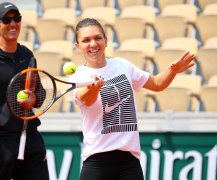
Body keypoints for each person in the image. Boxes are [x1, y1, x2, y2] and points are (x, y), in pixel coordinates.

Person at [68, 18, 195, 180]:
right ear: (78, 47)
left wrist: (172, 71)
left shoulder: (122, 65)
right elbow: (85, 100)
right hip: (96, 161)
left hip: (129, 162)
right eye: (86, 40)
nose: (93, 44)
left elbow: (156, 84)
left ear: (106, 41)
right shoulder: (78, 75)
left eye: (98, 38)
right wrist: (93, 88)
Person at [0, 2, 49, 180]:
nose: (13, 24)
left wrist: (34, 99)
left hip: (30, 137)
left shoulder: (27, 54)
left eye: (16, 19)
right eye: (7, 20)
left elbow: (39, 93)